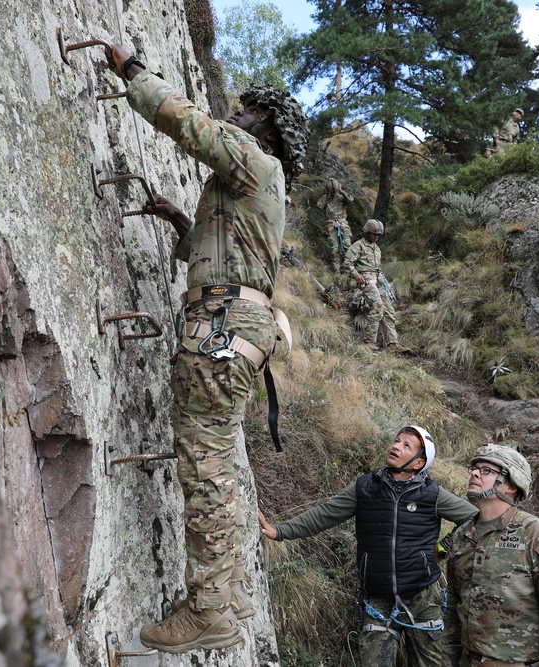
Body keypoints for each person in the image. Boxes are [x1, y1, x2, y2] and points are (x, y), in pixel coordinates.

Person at [104, 44, 308, 653]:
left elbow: (190, 125)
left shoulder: (253, 159)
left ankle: (210, 608)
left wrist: (132, 72)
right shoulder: (257, 187)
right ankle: (229, 593)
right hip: (233, 324)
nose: (234, 115)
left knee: (206, 466)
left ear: (264, 125)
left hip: (222, 327)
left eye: (244, 111)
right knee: (216, 460)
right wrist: (180, 225)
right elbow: (229, 256)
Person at [258, 425, 479, 667]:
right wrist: (279, 531)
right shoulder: (365, 488)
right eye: (396, 441)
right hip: (377, 598)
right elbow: (325, 514)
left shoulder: (432, 494)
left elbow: (474, 519)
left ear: (419, 463)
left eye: (406, 446)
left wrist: (442, 549)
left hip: (423, 597)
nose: (396, 446)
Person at [443, 444, 539, 667]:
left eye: (486, 471)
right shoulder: (462, 536)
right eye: (474, 468)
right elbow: (453, 610)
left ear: (511, 484)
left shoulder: (536, 537)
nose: (474, 473)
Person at [343, 219, 403, 352]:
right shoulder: (357, 246)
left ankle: (392, 344)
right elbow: (347, 263)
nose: (376, 237)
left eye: (379, 235)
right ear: (367, 232)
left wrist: (385, 282)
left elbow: (377, 268)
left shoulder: (377, 249)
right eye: (374, 234)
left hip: (378, 279)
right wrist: (356, 275)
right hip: (365, 280)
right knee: (377, 307)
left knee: (389, 310)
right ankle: (369, 342)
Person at [318, 178, 354, 271]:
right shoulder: (326, 199)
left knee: (347, 245)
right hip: (331, 224)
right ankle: (337, 271)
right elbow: (319, 205)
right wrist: (325, 194)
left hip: (343, 223)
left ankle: (349, 268)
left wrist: (341, 191)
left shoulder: (342, 198)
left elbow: (350, 200)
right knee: (334, 248)